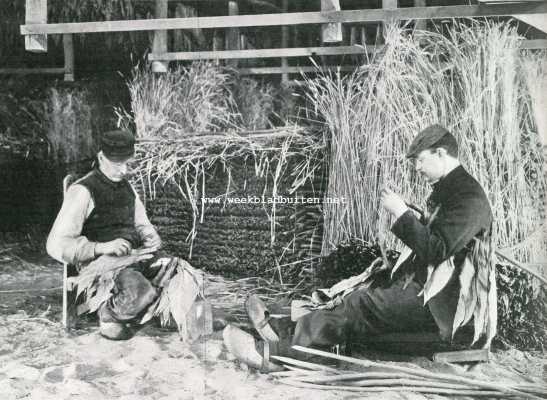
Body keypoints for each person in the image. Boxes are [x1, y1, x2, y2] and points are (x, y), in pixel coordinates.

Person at [226, 124, 495, 369]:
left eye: (421, 160)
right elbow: (444, 240)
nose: (417, 168)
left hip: (442, 306)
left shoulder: (469, 198)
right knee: (358, 291)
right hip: (427, 288)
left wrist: (402, 215)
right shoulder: (454, 190)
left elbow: (438, 250)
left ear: (441, 153)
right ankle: (283, 327)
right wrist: (417, 217)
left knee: (361, 304)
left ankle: (275, 354)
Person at [47, 129, 162, 340]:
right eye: (118, 164)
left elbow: (141, 222)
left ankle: (191, 317)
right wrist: (101, 247)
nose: (125, 170)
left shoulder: (128, 188)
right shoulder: (83, 190)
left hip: (134, 255)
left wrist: (150, 235)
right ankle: (108, 314)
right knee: (142, 293)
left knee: (181, 273)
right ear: (101, 157)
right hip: (104, 265)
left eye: (128, 163)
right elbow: (56, 244)